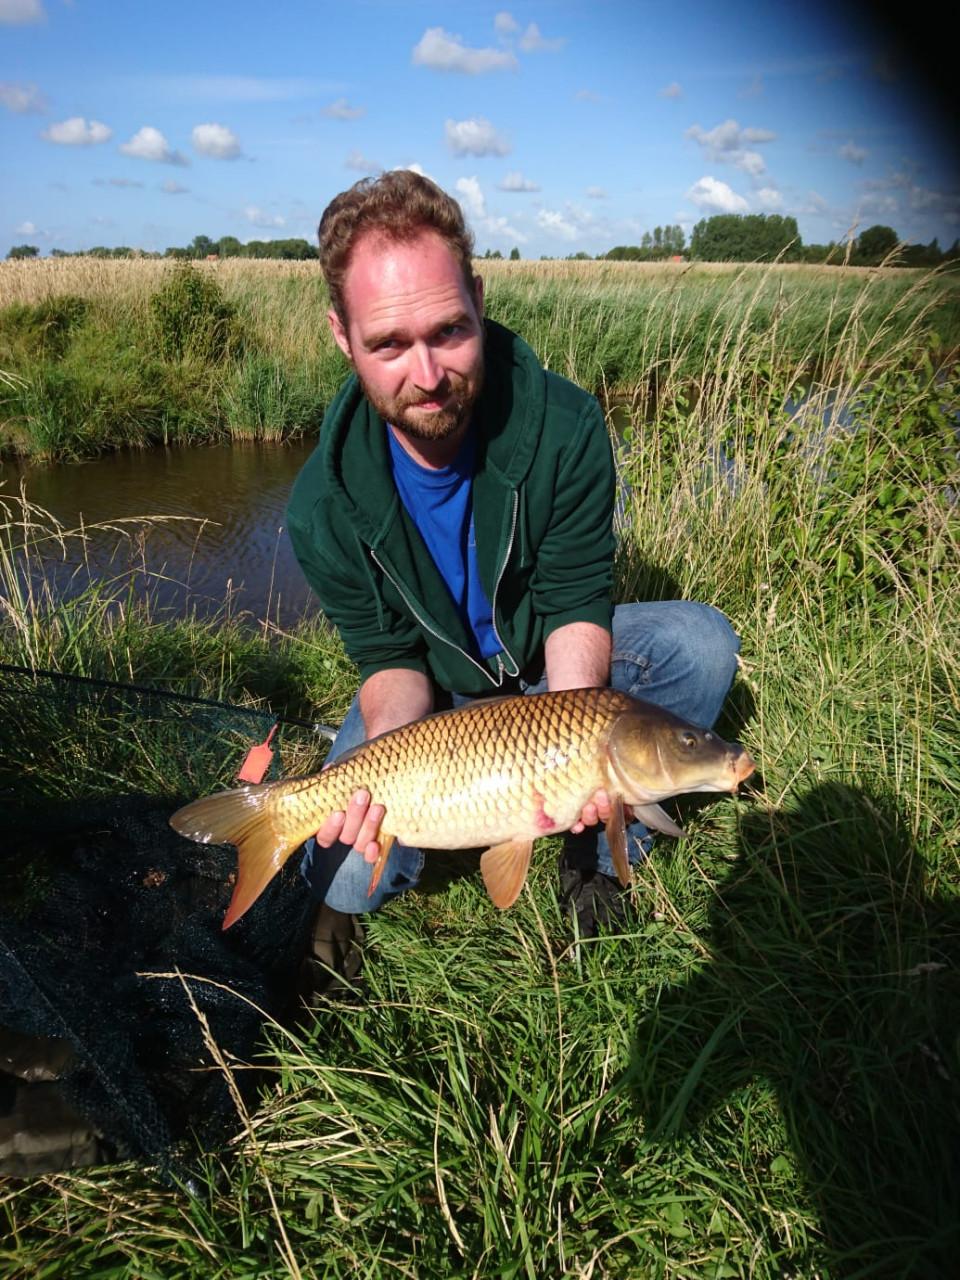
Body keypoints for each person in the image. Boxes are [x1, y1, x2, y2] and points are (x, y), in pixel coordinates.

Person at [286, 169, 739, 963]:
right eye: (389, 344)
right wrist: (391, 760)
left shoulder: (563, 425)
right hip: (433, 705)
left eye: (448, 332)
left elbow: (574, 599)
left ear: (479, 298)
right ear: (342, 336)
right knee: (343, 873)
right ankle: (355, 897)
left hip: (544, 676)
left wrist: (576, 749)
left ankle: (596, 855)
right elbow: (389, 659)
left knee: (702, 645)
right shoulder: (320, 506)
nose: (428, 375)